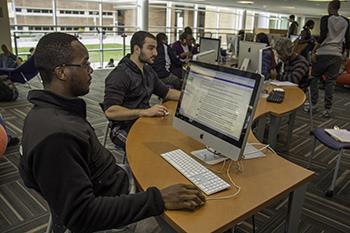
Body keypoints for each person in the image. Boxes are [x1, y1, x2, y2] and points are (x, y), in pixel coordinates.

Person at [19, 32, 205, 233]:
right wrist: (158, 199)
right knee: (189, 223)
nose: (91, 70)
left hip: (114, 183)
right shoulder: (57, 136)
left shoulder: (51, 113)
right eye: (85, 63)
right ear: (61, 72)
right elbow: (82, 215)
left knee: (165, 171)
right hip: (114, 210)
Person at [104, 31, 181, 150]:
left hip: (144, 120)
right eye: (151, 48)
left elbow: (166, 92)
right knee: (150, 149)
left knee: (171, 137)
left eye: (156, 48)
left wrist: (189, 97)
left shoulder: (148, 70)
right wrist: (144, 112)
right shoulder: (120, 75)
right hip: (123, 128)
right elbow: (110, 111)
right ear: (137, 49)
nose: (155, 53)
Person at [310, 0, 350, 118]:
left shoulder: (325, 19)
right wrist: (345, 55)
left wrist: (313, 50)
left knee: (314, 78)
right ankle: (327, 109)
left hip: (323, 52)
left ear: (330, 7)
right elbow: (348, 40)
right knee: (330, 82)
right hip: (337, 55)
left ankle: (313, 104)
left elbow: (322, 36)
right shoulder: (346, 21)